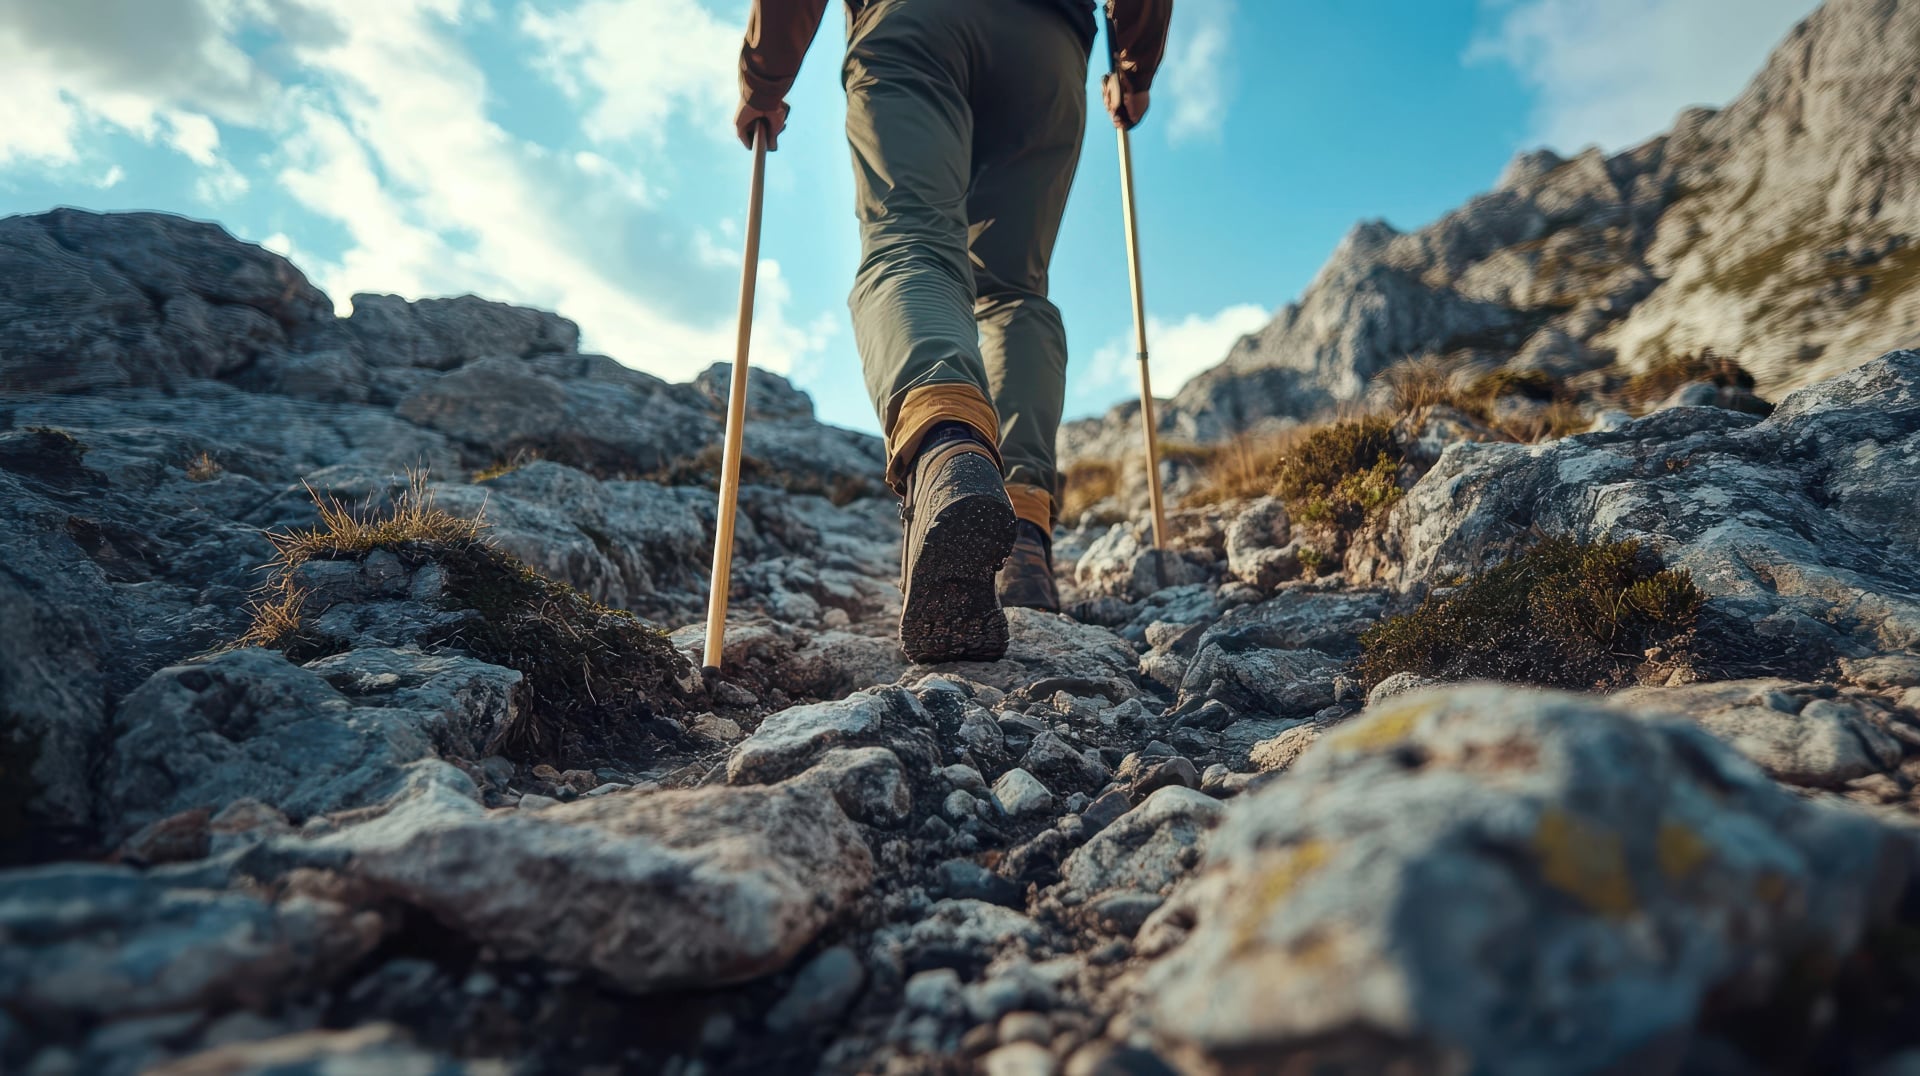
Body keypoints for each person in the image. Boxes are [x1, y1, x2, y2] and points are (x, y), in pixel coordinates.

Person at [736, 0, 1172, 662]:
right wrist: (1133, 68)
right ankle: (1023, 531)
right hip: (1045, 47)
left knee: (909, 240)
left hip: (915, 25)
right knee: (1014, 291)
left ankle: (947, 447)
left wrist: (764, 82)